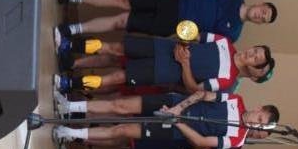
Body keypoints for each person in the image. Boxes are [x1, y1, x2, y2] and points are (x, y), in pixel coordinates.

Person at [52, 92, 278, 149]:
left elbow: (201, 142)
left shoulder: (237, 140)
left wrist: (177, 122)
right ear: (260, 109)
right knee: (120, 105)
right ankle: (69, 107)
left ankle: (70, 133)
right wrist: (178, 108)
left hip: (174, 130)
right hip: (173, 103)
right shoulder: (236, 100)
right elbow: (203, 94)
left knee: (121, 130)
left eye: (259, 127)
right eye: (260, 119)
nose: (255, 124)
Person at [59, 0, 277, 43]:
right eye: (264, 11)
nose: (260, 15)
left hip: (172, 24)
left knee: (122, 22)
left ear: (259, 24)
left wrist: (184, 35)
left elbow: (202, 39)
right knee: (122, 0)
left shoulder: (233, 34)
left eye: (263, 19)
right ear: (260, 3)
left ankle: (73, 29)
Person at [56, 36, 273, 96]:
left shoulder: (228, 81)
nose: (251, 54)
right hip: (164, 47)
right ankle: (69, 45)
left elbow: (194, 89)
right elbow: (196, 35)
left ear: (254, 72)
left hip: (165, 72)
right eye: (255, 50)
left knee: (118, 77)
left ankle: (69, 83)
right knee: (116, 48)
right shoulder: (226, 42)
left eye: (255, 59)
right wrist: (182, 42)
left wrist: (184, 63)